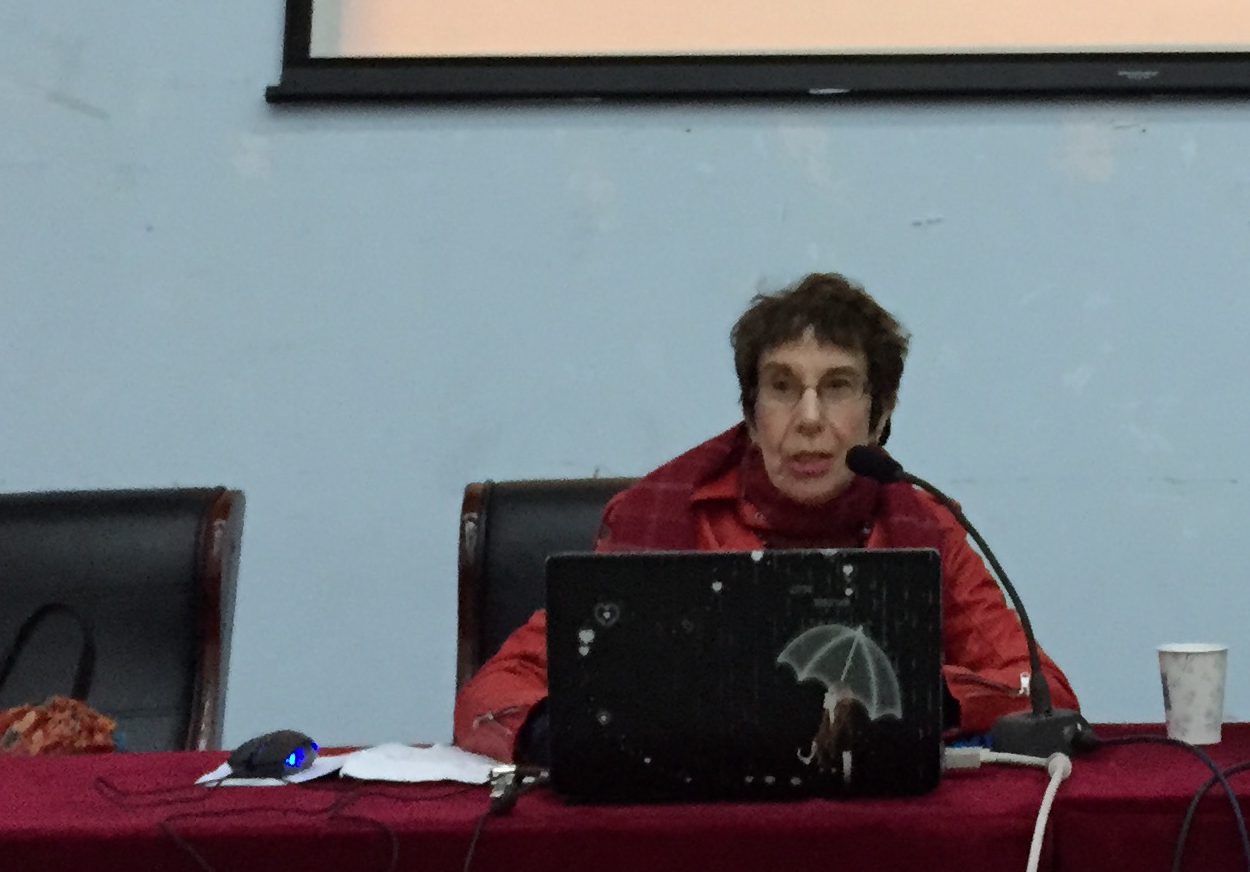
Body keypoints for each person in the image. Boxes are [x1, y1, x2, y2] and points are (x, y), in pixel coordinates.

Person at [455, 271, 1078, 759]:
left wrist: (920, 697)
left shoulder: (928, 528)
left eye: (837, 387)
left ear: (880, 414)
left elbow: (1043, 693)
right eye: (782, 387)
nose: (808, 418)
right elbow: (495, 689)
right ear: (752, 416)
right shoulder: (664, 519)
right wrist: (554, 731)